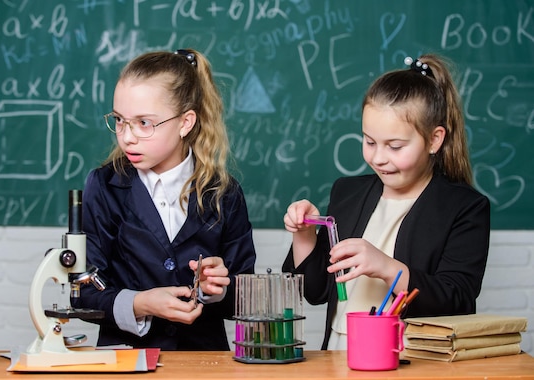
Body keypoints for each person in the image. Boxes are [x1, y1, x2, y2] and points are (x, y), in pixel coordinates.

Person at [282, 54, 490, 350]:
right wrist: (304, 236)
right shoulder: (347, 193)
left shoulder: (465, 207)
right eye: (369, 142)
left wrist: (386, 267)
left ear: (434, 140)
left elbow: (457, 298)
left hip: (414, 362)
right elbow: (315, 291)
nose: (378, 158)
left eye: (395, 146)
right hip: (340, 358)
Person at [73, 48, 256, 350]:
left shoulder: (224, 192)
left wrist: (218, 289)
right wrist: (140, 303)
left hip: (204, 365)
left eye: (144, 123)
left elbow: (245, 297)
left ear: (185, 122)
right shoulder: (104, 186)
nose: (127, 136)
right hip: (126, 363)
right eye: (119, 120)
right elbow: (81, 292)